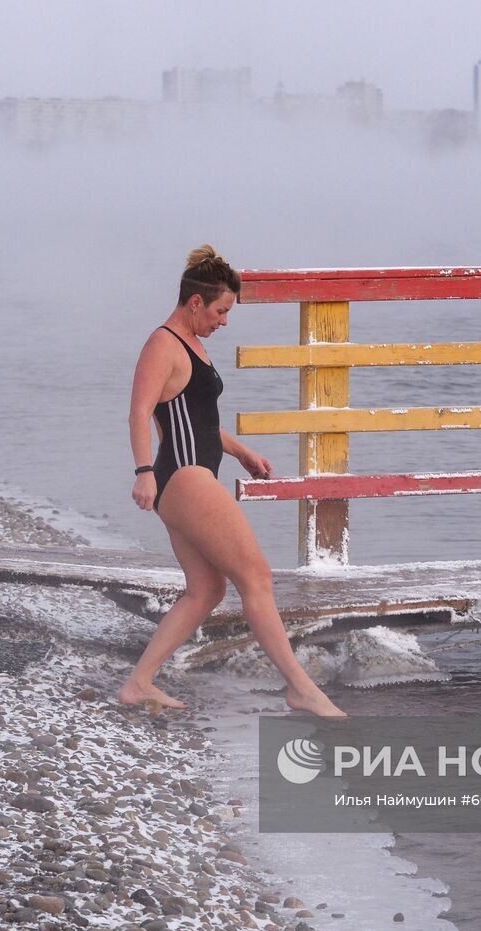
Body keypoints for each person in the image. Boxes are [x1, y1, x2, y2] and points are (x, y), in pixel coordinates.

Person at [120, 245, 347, 720]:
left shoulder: (193, 345)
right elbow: (141, 412)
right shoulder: (162, 344)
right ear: (195, 303)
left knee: (206, 590)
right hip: (183, 476)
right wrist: (143, 473)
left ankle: (140, 682)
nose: (225, 321)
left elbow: (200, 421)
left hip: (189, 473)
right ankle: (301, 688)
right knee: (256, 577)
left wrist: (242, 452)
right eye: (221, 310)